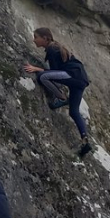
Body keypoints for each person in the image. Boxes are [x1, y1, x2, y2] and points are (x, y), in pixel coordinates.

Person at [22, 27, 91, 157]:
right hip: (81, 80)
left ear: (45, 38)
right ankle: (85, 140)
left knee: (42, 77)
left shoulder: (52, 49)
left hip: (73, 76)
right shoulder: (56, 47)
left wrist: (37, 68)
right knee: (73, 111)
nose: (34, 40)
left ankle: (61, 97)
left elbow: (53, 74)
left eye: (36, 37)